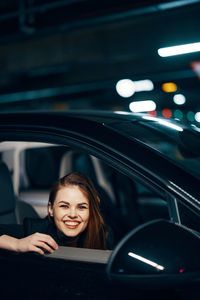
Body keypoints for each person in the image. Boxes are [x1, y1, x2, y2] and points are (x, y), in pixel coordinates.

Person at [0, 172, 112, 255]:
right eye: (64, 206)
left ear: (91, 211)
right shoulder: (33, 231)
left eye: (81, 207)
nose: (72, 214)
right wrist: (16, 244)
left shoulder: (104, 235)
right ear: (51, 209)